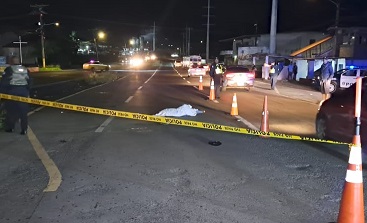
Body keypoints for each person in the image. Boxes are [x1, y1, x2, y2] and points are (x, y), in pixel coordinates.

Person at [0, 58, 31, 135]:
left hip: (12, 92)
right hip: (23, 92)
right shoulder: (25, 69)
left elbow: (5, 82)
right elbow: (29, 81)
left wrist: (2, 93)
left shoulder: (9, 69)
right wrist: (27, 92)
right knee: (23, 113)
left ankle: (10, 128)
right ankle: (24, 130)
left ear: (11, 62)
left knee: (11, 111)